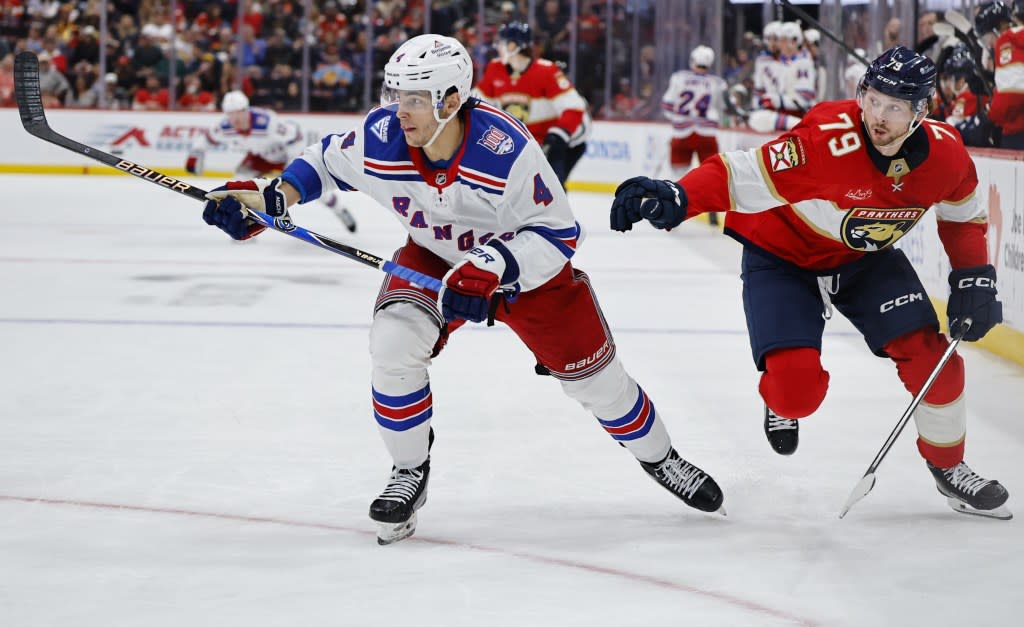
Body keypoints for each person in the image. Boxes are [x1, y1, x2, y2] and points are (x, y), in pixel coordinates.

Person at [200, 34, 725, 545]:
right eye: (393, 95)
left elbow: (559, 233)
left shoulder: (506, 149)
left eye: (412, 99)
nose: (398, 111)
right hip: (433, 258)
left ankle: (662, 458)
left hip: (527, 272)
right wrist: (275, 198)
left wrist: (493, 265)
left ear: (451, 100)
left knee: (599, 385)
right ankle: (409, 469)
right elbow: (324, 161)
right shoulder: (383, 134)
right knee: (393, 341)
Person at [610, 46, 1010, 520]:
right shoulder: (827, 137)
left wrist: (973, 276)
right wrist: (677, 195)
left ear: (920, 112)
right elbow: (743, 173)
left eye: (895, 107)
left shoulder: (944, 155)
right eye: (874, 99)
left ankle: (950, 468)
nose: (878, 116)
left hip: (866, 260)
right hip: (785, 255)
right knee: (795, 391)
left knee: (939, 365)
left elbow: (963, 213)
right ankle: (779, 401)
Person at [187, 90, 358, 233]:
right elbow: (207, 139)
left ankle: (340, 210)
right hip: (260, 157)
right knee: (239, 181)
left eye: (238, 112)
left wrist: (293, 164)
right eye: (230, 114)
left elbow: (295, 136)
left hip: (284, 156)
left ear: (246, 110)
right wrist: (194, 155)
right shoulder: (225, 127)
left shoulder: (266, 122)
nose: (234, 119)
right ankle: (245, 220)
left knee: (308, 185)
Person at [473, 21, 591, 187]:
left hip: (563, 144)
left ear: (513, 45)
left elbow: (574, 107)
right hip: (527, 144)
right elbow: (475, 103)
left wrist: (557, 135)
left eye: (501, 42)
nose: (497, 46)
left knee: (552, 188)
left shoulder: (546, 71)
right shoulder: (495, 69)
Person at [661, 45, 728, 179]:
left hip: (681, 133)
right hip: (707, 134)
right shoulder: (718, 83)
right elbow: (723, 109)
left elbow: (667, 105)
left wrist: (676, 119)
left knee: (678, 177)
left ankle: (678, 198)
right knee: (711, 175)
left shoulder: (678, 77)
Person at [974, 1, 1024, 148]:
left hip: (1017, 133)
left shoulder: (1007, 40)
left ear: (999, 26)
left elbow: (1012, 94)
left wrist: (990, 116)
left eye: (987, 38)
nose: (989, 46)